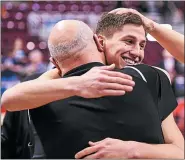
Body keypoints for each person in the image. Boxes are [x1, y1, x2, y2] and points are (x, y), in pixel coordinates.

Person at [1, 11, 184, 159]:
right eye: (128, 41)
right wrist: (79, 82)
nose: (137, 52)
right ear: (100, 42)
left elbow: (179, 152)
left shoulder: (150, 77)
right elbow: (10, 100)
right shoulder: (38, 89)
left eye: (142, 45)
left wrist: (131, 150)